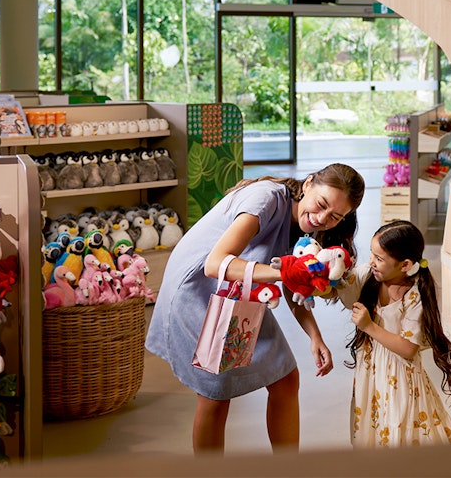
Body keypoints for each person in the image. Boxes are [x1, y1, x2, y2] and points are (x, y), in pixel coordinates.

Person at [145, 163, 365, 453]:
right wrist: (286, 271)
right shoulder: (266, 198)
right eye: (321, 204)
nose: (322, 218)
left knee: (286, 379)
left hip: (239, 291)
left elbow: (292, 281)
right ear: (308, 183)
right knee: (215, 394)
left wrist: (315, 336)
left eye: (335, 216)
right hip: (197, 290)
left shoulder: (302, 229)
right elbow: (214, 265)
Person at [337, 220, 451, 447]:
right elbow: (340, 289)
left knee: (398, 430)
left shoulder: (414, 296)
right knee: (375, 429)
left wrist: (369, 326)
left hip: (400, 379)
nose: (371, 262)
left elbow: (408, 348)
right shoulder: (371, 276)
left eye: (379, 259)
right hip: (371, 373)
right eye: (372, 255)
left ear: (405, 265)